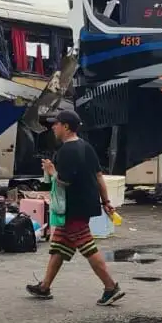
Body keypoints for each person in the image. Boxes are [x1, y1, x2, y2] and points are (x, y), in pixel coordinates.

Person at [25, 109, 125, 305]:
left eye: (56, 124)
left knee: (87, 246)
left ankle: (111, 287)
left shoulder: (66, 151)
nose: (53, 127)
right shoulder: (86, 147)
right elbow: (98, 177)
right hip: (85, 203)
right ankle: (45, 287)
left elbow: (64, 182)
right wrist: (105, 201)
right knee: (59, 245)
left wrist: (52, 171)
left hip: (73, 206)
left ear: (66, 127)